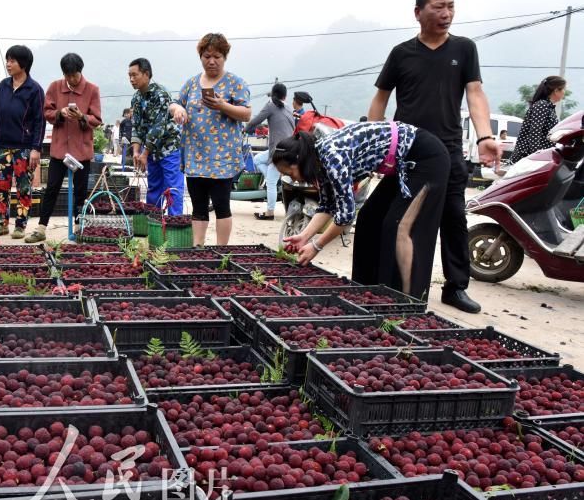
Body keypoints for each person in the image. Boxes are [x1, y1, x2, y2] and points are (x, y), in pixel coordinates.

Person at [367, 0, 500, 313]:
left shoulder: (464, 49)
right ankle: (389, 284)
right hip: (407, 153)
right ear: (418, 12)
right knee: (395, 218)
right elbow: (380, 100)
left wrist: (484, 136)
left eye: (451, 6)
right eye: (438, 7)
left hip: (449, 149)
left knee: (453, 217)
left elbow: (475, 93)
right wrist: (373, 143)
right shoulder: (401, 53)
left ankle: (456, 287)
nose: (447, 14)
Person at [276, 122, 449, 300]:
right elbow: (328, 206)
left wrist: (316, 245)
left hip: (425, 157)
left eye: (289, 171)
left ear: (298, 159)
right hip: (401, 162)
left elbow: (345, 217)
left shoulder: (333, 156)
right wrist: (304, 236)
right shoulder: (318, 160)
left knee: (399, 226)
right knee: (368, 219)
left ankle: (406, 301)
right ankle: (367, 292)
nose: (293, 179)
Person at [169, 33, 250, 246]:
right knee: (198, 207)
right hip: (196, 156)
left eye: (217, 56)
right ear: (200, 57)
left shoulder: (235, 83)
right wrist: (178, 110)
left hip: (223, 159)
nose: (211, 61)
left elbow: (246, 113)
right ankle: (198, 247)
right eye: (206, 56)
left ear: (225, 57)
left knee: (222, 206)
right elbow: (175, 103)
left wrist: (223, 105)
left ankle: (221, 250)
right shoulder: (191, 83)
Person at [26, 53, 101, 243]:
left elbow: (97, 119)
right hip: (60, 150)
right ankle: (42, 227)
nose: (72, 80)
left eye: (74, 76)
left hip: (81, 150)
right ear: (63, 74)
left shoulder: (92, 90)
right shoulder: (55, 87)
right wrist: (60, 113)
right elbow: (47, 112)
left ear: (80, 72)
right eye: (68, 76)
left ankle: (79, 226)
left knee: (80, 190)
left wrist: (81, 117)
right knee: (51, 188)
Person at [0, 45, 45, 240]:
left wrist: (36, 149)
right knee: (1, 186)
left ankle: (20, 226)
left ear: (24, 64)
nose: (8, 64)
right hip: (2, 146)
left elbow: (39, 121)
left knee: (23, 187)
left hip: (24, 147)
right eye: (7, 60)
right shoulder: (3, 85)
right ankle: (2, 223)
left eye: (12, 61)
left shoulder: (34, 89)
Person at [128, 57, 185, 215]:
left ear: (146, 74)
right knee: (154, 189)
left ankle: (174, 226)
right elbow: (137, 127)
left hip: (169, 149)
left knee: (173, 189)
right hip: (151, 151)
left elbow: (157, 128)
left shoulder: (160, 94)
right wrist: (136, 152)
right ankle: (154, 225)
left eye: (135, 75)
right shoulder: (137, 98)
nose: (132, 79)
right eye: (129, 76)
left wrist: (144, 153)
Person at [245, 83, 295, 220]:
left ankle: (270, 212)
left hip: (279, 151)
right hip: (291, 149)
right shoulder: (289, 108)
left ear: (272, 94)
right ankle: (271, 179)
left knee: (271, 183)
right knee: (258, 159)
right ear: (285, 96)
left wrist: (245, 130)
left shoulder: (270, 106)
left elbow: (255, 121)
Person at [509, 76, 566, 164]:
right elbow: (535, 133)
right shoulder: (542, 105)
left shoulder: (549, 107)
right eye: (563, 89)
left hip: (538, 156)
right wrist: (537, 157)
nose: (564, 93)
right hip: (528, 157)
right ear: (556, 90)